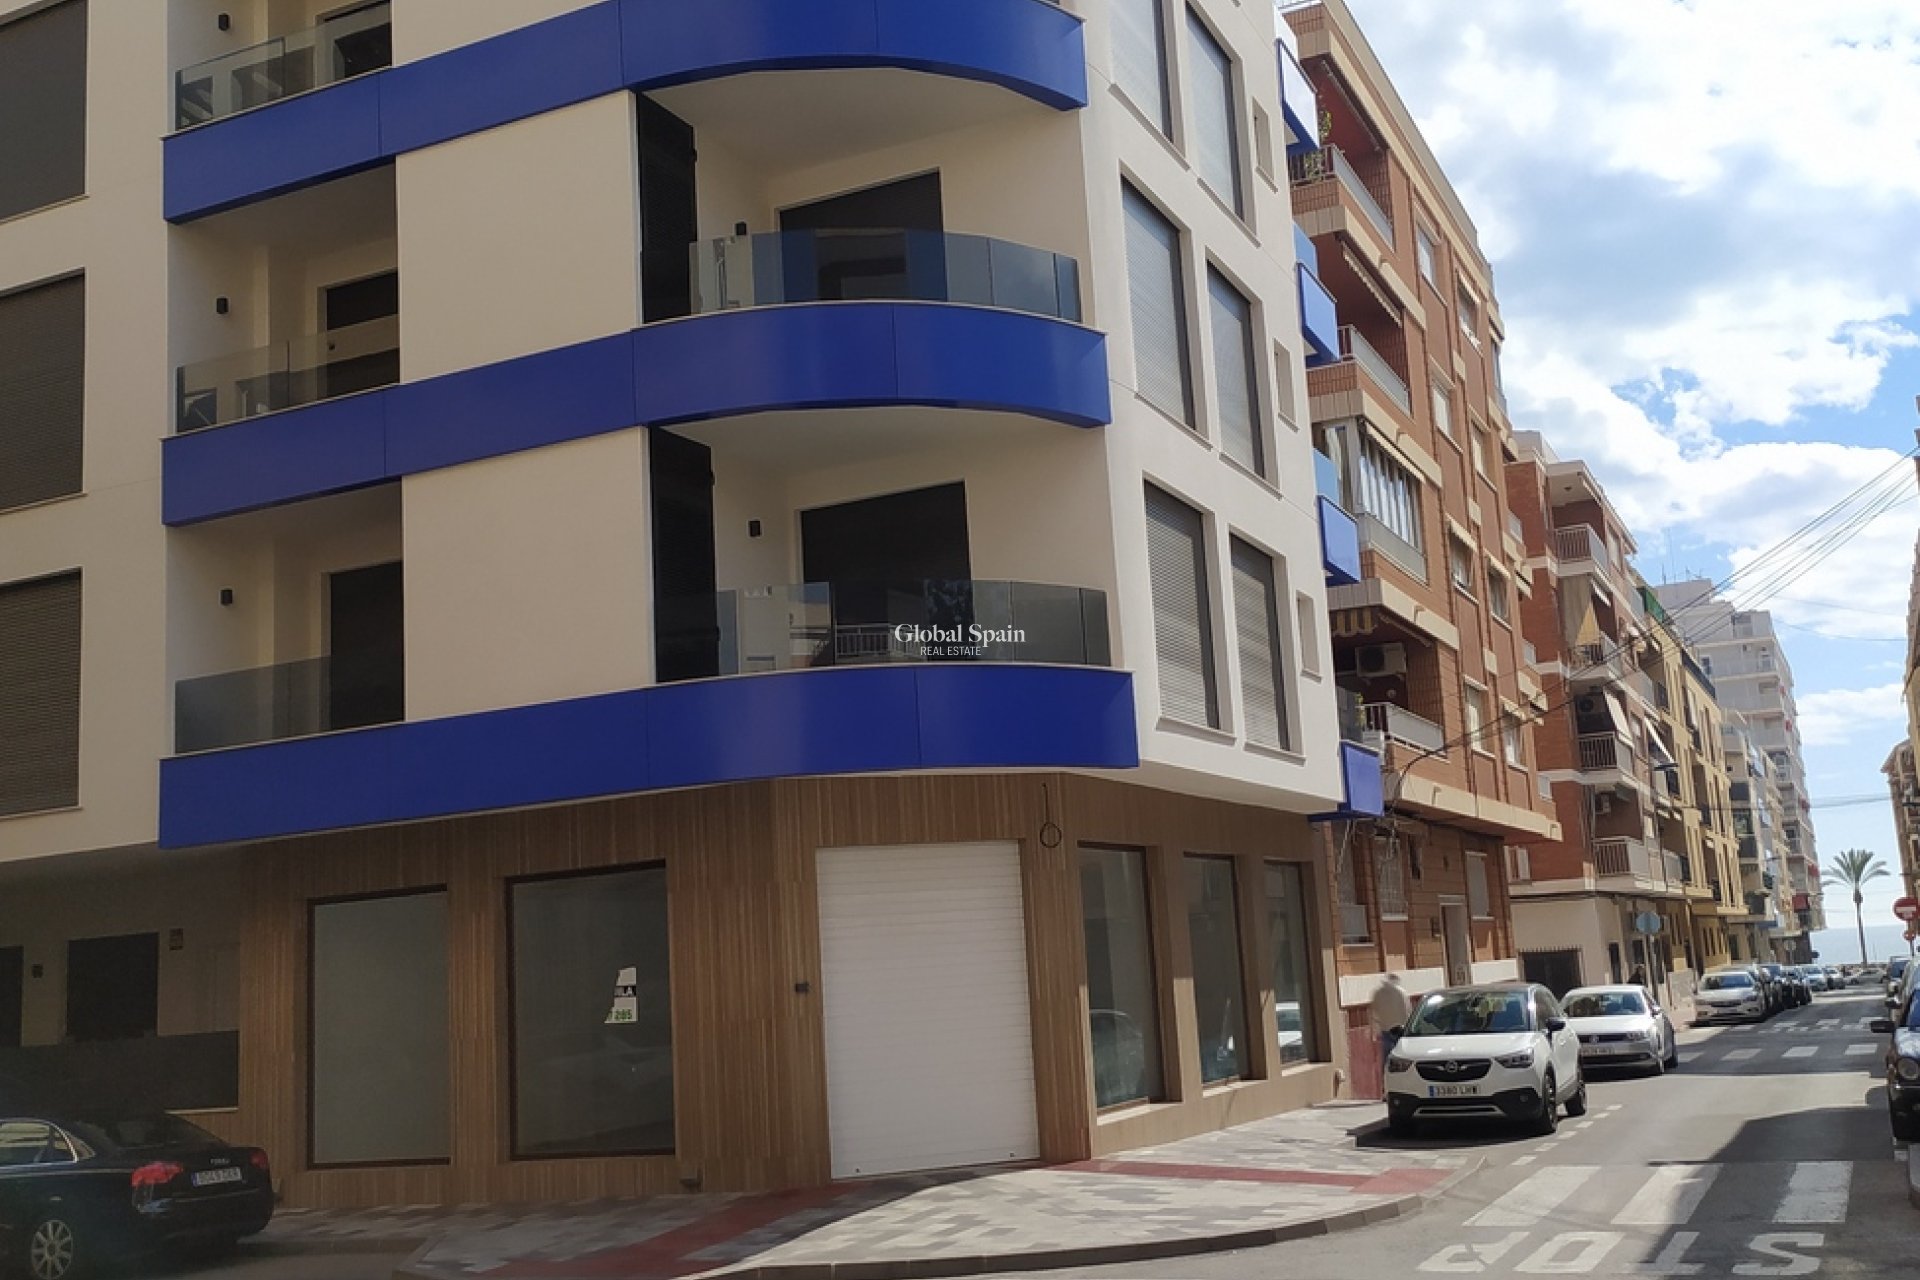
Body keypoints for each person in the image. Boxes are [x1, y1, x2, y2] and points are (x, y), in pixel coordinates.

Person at [1370, 973, 1411, 1068]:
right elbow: (1407, 1012)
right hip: (1400, 1031)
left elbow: (1373, 1013)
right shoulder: (1401, 993)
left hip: (1385, 1030)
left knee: (1387, 1060)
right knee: (1402, 1059)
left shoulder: (1377, 993)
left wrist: (1374, 1031)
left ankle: (1386, 1074)